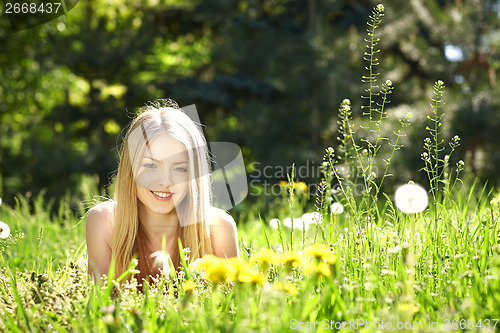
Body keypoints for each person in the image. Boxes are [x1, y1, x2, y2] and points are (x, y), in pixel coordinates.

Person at [85, 99, 239, 282]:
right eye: (151, 166)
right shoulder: (104, 222)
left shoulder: (219, 229)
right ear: (130, 169)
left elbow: (231, 306)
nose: (165, 182)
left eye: (180, 169)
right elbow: (103, 305)